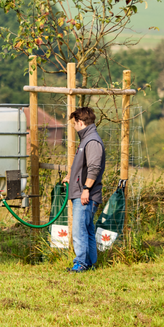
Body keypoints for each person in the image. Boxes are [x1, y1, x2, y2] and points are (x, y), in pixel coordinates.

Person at [63, 106, 105, 272]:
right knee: (87, 230)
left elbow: (94, 168)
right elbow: (83, 167)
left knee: (79, 230)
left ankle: (80, 263)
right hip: (83, 192)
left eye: (74, 123)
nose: (73, 127)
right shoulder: (87, 140)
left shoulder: (92, 141)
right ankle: (89, 263)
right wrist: (70, 177)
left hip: (86, 194)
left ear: (80, 123)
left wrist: (86, 188)